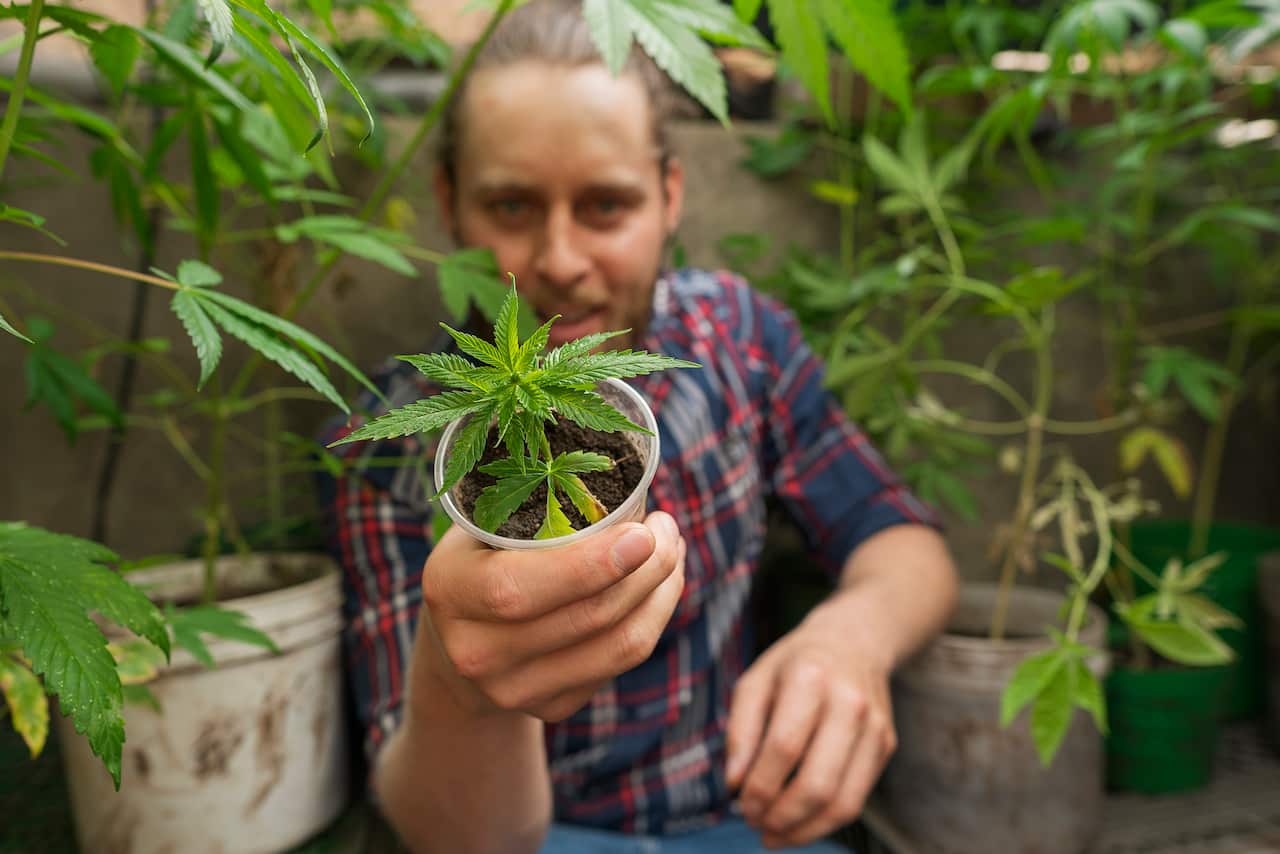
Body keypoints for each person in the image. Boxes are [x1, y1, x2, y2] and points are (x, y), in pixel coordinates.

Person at [317, 1, 958, 851]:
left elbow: (902, 540)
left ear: (670, 194)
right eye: (511, 206)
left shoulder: (739, 342)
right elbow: (443, 830)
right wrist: (460, 685)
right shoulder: (403, 442)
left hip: (744, 817)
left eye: (606, 206)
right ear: (450, 205)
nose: (561, 260)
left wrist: (851, 639)